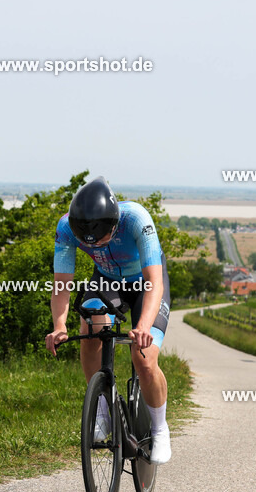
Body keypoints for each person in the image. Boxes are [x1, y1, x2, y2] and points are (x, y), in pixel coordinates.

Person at [45, 176, 172, 464]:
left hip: (146, 284)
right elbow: (61, 284)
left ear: (114, 225)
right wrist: (59, 326)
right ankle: (101, 408)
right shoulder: (66, 228)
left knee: (144, 358)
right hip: (106, 282)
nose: (96, 246)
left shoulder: (136, 218)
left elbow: (154, 282)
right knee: (90, 331)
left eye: (102, 239)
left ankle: (160, 428)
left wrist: (142, 326)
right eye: (88, 242)